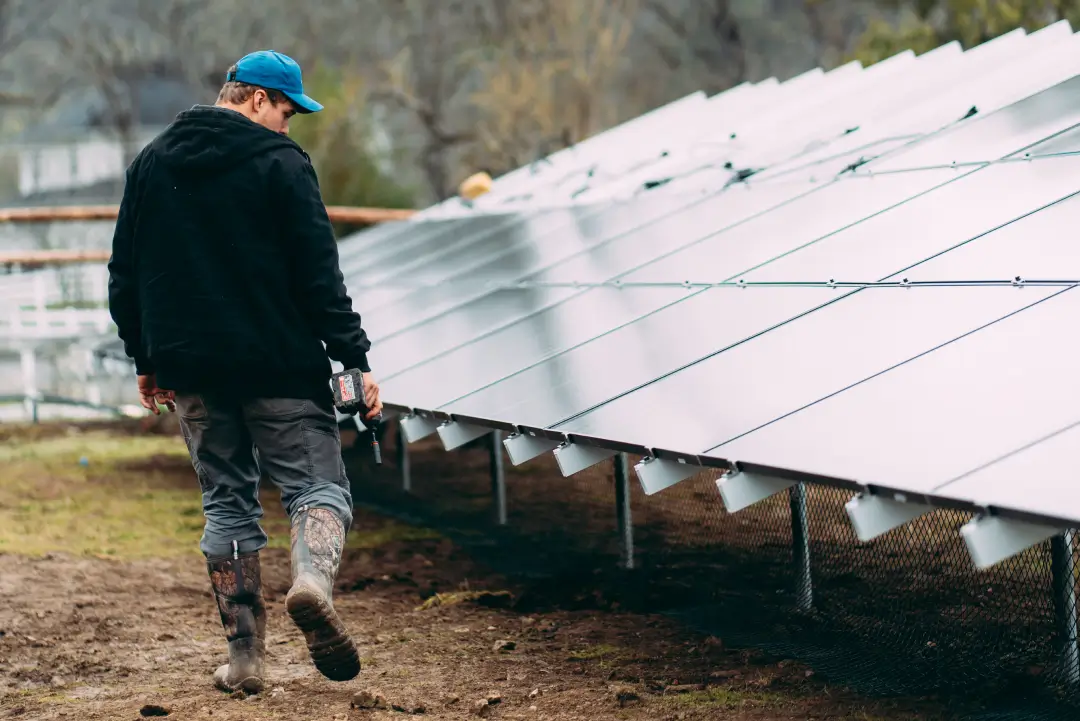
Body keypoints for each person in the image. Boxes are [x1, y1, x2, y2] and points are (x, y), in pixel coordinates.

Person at [107, 49, 382, 695]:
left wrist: (149, 360)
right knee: (318, 487)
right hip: (279, 362)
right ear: (257, 98)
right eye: (287, 110)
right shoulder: (282, 163)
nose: (289, 125)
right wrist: (354, 357)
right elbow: (319, 276)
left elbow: (124, 276)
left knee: (225, 502)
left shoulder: (150, 162)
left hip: (192, 370)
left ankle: (245, 659)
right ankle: (311, 584)